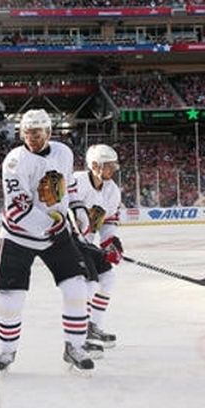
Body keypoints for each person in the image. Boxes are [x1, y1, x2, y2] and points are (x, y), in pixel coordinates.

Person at [0, 108, 93, 373]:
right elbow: (17, 209)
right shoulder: (14, 162)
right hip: (17, 236)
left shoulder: (64, 152)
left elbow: (68, 187)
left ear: (48, 132)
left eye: (37, 132)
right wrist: (53, 225)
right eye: (27, 132)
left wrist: (79, 209)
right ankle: (7, 350)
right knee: (10, 298)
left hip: (56, 234)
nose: (32, 137)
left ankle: (75, 346)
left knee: (77, 288)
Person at [68, 144, 123, 357]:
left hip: (87, 242)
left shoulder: (112, 190)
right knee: (89, 284)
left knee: (108, 278)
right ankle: (80, 335)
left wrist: (110, 243)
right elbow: (61, 209)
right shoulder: (77, 182)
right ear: (94, 165)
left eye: (113, 165)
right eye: (108, 166)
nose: (113, 169)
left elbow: (109, 221)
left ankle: (94, 326)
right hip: (69, 241)